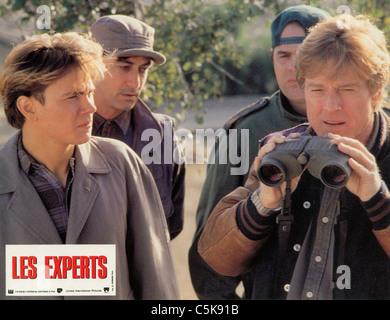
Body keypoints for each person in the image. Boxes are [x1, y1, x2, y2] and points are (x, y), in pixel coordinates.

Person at [198, 14, 390, 300]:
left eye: (346, 89)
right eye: (317, 90)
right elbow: (216, 257)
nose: (330, 107)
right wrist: (263, 203)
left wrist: (377, 199)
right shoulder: (288, 151)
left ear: (375, 95)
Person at [0, 32, 179, 300]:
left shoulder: (122, 163)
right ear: (28, 107)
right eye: (74, 96)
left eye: (90, 92)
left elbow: (156, 280)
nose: (90, 106)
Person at [189, 5, 330, 299]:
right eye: (283, 56)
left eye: (304, 54)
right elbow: (210, 246)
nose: (293, 67)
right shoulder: (245, 130)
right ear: (272, 58)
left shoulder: (367, 122)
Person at [90, 15, 185, 240]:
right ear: (92, 66)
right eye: (124, 67)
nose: (135, 82)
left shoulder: (164, 137)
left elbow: (170, 227)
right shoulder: (59, 131)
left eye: (143, 69)